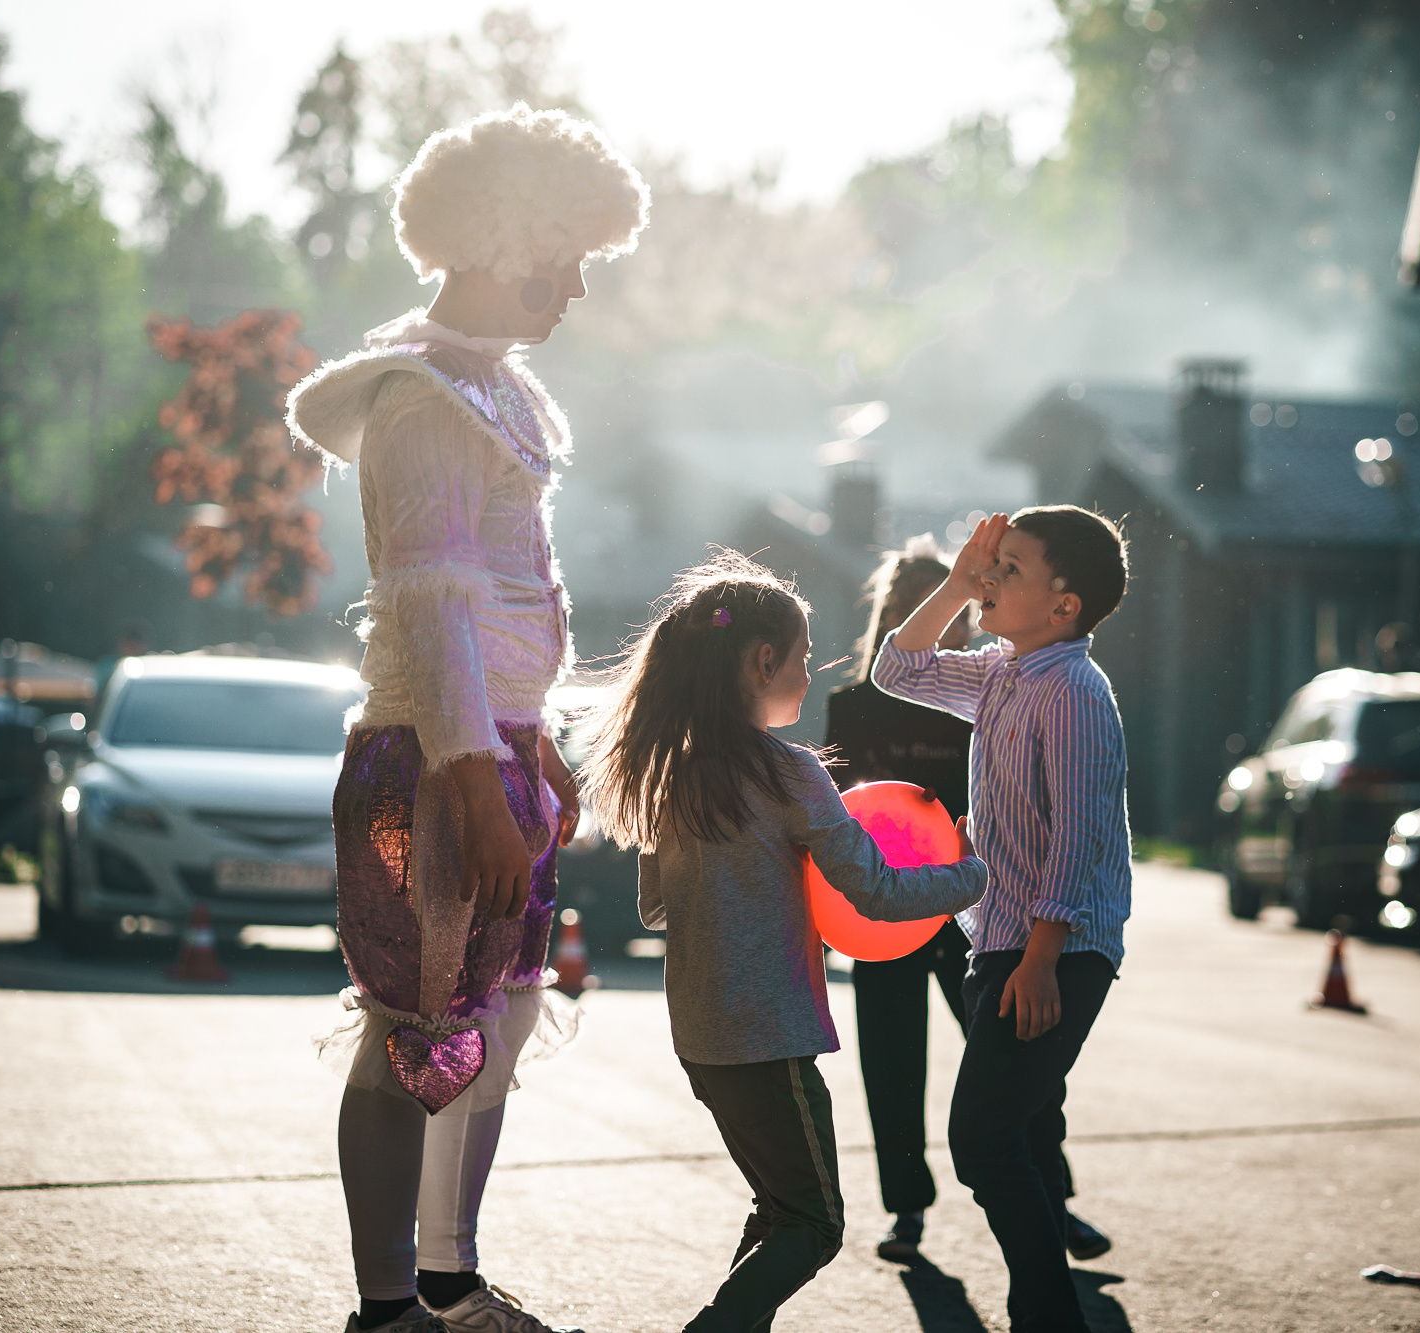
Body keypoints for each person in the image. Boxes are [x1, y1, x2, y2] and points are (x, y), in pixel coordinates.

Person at [285, 104, 649, 1333]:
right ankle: (388, 1308)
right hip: (432, 766)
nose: (579, 290)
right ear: (514, 240)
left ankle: (448, 1278)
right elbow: (427, 602)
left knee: (495, 1020)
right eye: (573, 257)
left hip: (496, 751)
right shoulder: (422, 394)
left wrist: (536, 744)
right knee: (412, 1031)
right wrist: (474, 775)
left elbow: (497, 607)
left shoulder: (502, 392)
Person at [579, 553, 988, 1333]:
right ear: (762, 660)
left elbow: (656, 907)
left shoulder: (675, 775)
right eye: (803, 657)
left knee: (779, 1206)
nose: (811, 671)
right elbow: (878, 891)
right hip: (772, 1037)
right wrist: (975, 873)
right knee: (815, 1223)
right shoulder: (793, 773)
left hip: (703, 1039)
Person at [873, 507, 1134, 1333]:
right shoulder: (1001, 673)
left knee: (985, 1137)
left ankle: (1048, 1315)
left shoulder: (1076, 691)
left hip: (1054, 946)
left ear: (1064, 605)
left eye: (1009, 569)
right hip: (1003, 940)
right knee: (1003, 1132)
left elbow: (1082, 833)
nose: (991, 580)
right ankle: (1047, 1311)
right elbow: (899, 670)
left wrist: (1043, 958)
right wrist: (956, 581)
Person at [824, 539, 1112, 1266]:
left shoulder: (984, 681)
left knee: (1019, 1071)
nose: (952, 617)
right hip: (883, 905)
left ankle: (1056, 1200)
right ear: (898, 610)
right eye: (914, 603)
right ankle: (907, 1210)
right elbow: (836, 812)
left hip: (974, 899)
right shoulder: (854, 705)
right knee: (891, 1065)